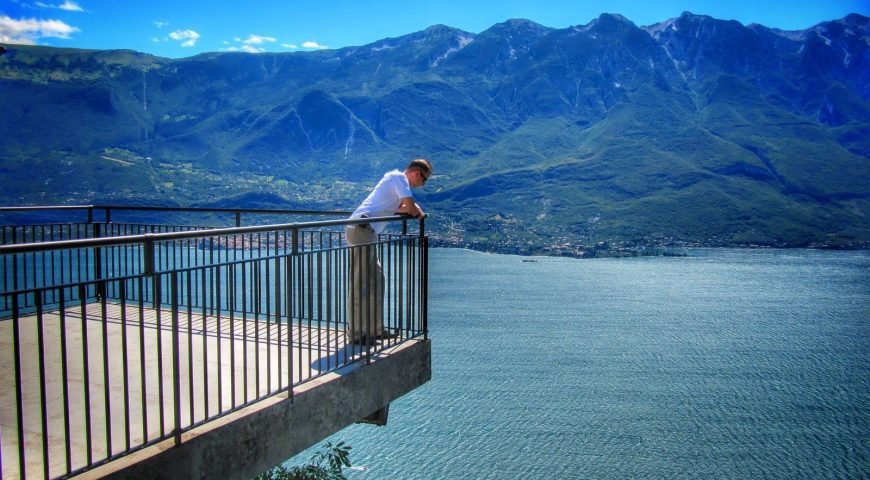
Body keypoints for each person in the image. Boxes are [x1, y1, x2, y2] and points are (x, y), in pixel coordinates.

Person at [345, 158, 432, 344]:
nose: (422, 185)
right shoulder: (398, 178)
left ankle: (375, 330)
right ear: (416, 173)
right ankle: (357, 334)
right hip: (361, 229)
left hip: (366, 230)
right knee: (362, 284)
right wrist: (417, 212)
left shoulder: (394, 182)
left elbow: (401, 208)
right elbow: (408, 206)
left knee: (376, 281)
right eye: (424, 180)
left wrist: (413, 209)